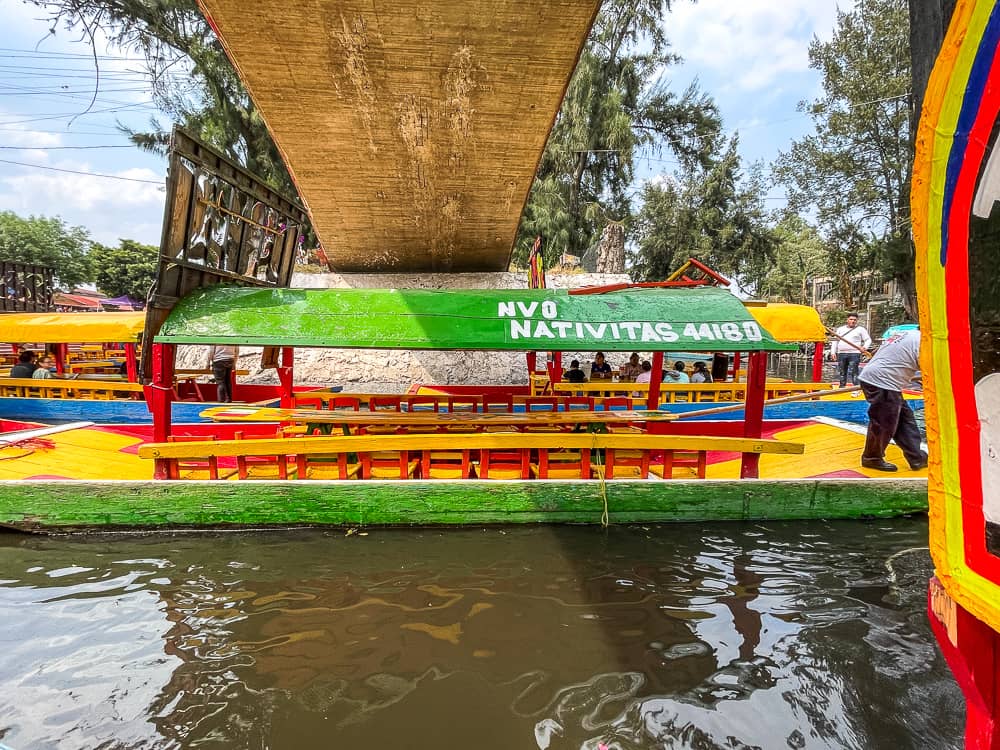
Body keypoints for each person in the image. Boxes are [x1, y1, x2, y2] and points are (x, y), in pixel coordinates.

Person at [858, 329, 927, 472]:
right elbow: (928, 368)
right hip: (882, 381)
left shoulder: (906, 333)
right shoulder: (924, 341)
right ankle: (871, 458)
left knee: (904, 420)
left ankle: (916, 457)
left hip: (882, 379)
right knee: (884, 423)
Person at [830, 312, 872, 387]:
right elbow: (835, 341)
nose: (852, 321)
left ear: (857, 321)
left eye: (854, 320)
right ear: (847, 320)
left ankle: (856, 387)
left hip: (854, 353)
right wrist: (833, 352)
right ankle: (842, 387)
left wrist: (864, 347)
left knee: (854, 371)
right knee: (842, 371)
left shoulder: (861, 329)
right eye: (851, 319)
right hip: (841, 353)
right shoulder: (840, 329)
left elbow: (868, 340)